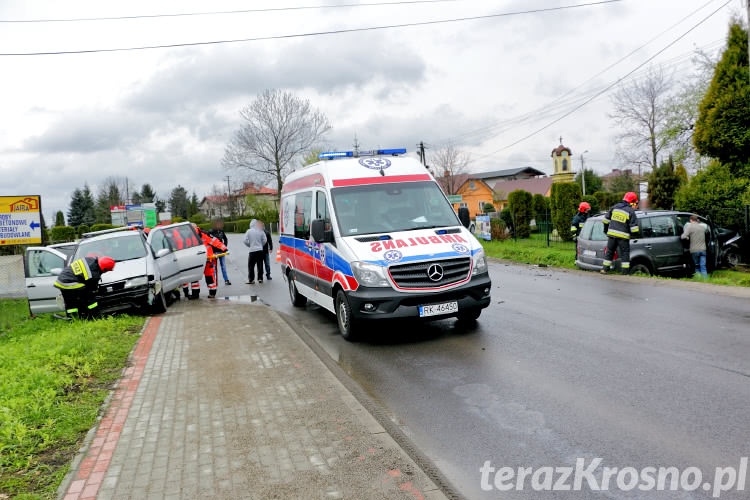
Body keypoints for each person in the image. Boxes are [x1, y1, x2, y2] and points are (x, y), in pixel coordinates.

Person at [600, 192, 640, 275]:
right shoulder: (630, 211)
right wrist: (635, 236)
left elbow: (605, 220)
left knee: (609, 252)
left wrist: (606, 230)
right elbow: (634, 228)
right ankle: (625, 272)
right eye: (634, 202)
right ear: (631, 201)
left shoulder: (614, 207)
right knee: (625, 253)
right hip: (623, 237)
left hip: (612, 235)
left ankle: (604, 269)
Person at [194, 224, 229, 298]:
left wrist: (224, 248)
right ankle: (210, 293)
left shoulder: (203, 234)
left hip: (206, 259)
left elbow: (215, 241)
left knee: (203, 277)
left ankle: (199, 293)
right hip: (199, 260)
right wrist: (224, 248)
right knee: (200, 277)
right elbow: (215, 241)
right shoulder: (195, 235)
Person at [243, 219, 267, 284]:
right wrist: (261, 245)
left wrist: (250, 245)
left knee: (251, 266)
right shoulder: (261, 231)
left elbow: (245, 240)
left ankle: (251, 280)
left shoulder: (249, 231)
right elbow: (265, 240)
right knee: (260, 265)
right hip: (260, 250)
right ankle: (260, 278)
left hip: (252, 251)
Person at [209, 218, 231, 285]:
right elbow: (209, 241)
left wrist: (225, 247)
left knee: (223, 266)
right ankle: (214, 281)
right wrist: (211, 250)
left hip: (221, 252)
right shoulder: (211, 231)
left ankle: (226, 280)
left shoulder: (221, 231)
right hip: (214, 252)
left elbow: (225, 239)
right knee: (214, 268)